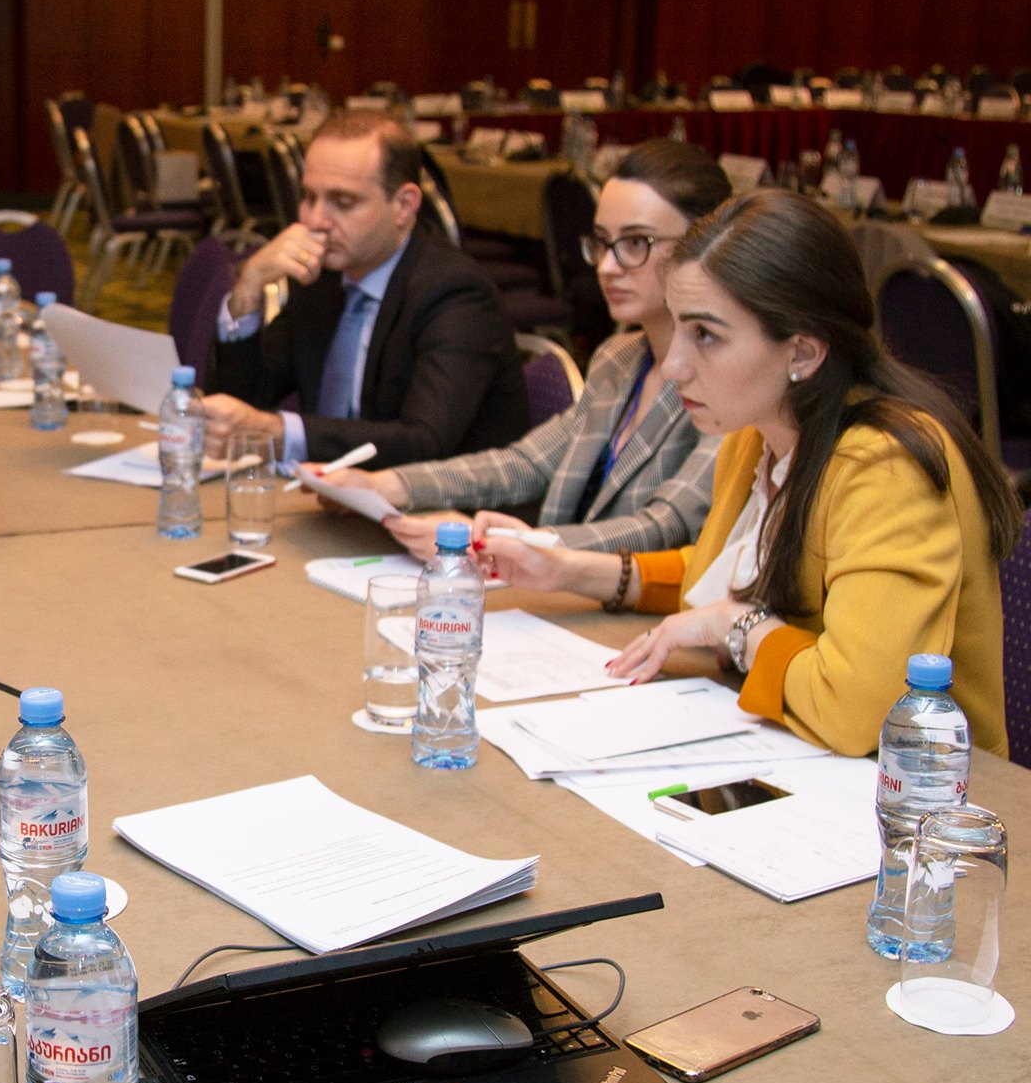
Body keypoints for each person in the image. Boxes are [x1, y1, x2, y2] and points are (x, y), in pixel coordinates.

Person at [489, 189, 1021, 757]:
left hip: (924, 791)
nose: (674, 366)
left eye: (706, 335)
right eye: (677, 327)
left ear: (803, 353)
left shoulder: (887, 468)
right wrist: (569, 568)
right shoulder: (755, 430)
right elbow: (723, 572)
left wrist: (735, 627)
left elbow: (854, 708)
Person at [329, 139, 731, 558]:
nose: (607, 267)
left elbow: (664, 529)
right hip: (557, 588)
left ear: (705, 247)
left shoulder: (729, 381)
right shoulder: (619, 357)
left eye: (635, 243)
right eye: (601, 242)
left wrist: (517, 545)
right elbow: (527, 463)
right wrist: (386, 484)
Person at [201, 109, 530, 468]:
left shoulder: (456, 294)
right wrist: (248, 286)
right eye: (308, 197)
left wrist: (279, 433)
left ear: (404, 205)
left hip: (434, 499)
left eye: (343, 203)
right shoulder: (322, 275)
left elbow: (424, 442)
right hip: (327, 491)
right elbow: (241, 404)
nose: (315, 221)